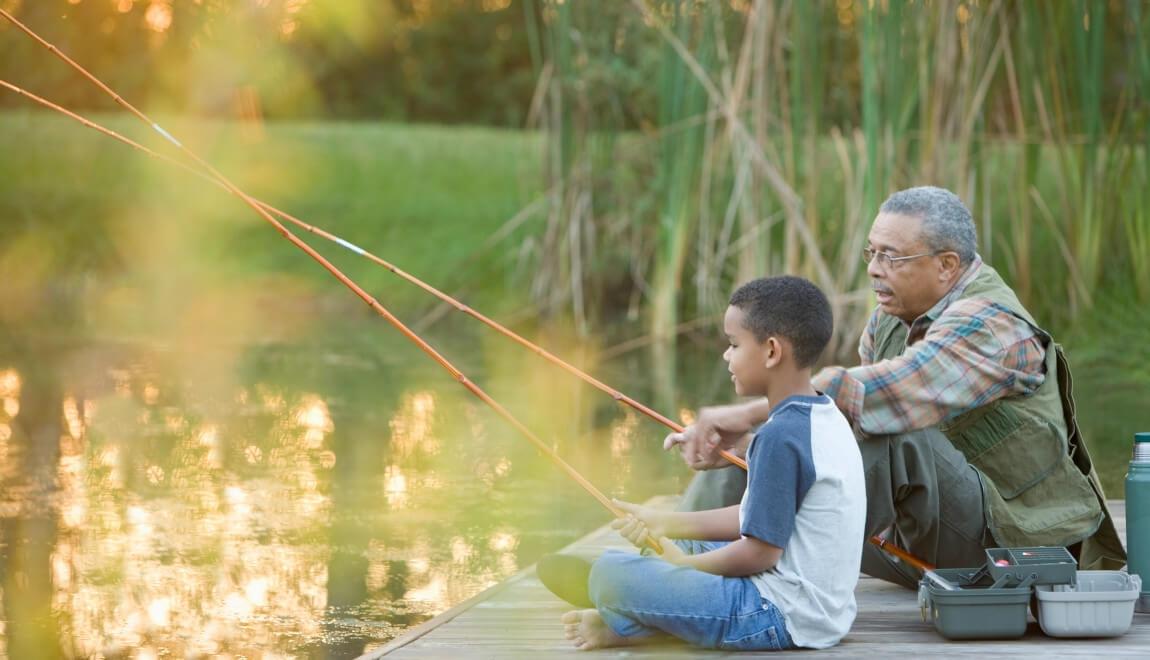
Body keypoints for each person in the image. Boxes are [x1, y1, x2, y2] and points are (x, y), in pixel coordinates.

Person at [669, 186, 1125, 588]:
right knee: (767, 446)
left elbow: (884, 396)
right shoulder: (888, 318)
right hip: (911, 543)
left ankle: (715, 575)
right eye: (871, 253)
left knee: (890, 435)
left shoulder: (989, 323)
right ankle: (667, 558)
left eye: (892, 256)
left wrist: (748, 412)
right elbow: (833, 433)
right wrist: (754, 443)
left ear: (947, 265)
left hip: (1006, 547)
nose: (874, 270)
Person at [555, 276, 866, 651]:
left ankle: (627, 613)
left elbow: (759, 552)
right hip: (820, 610)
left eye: (733, 344)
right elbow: (754, 517)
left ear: (771, 351)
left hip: (777, 614)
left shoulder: (780, 437)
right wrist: (663, 522)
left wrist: (680, 571)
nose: (726, 355)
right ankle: (641, 609)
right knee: (674, 543)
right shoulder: (821, 414)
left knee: (611, 573)